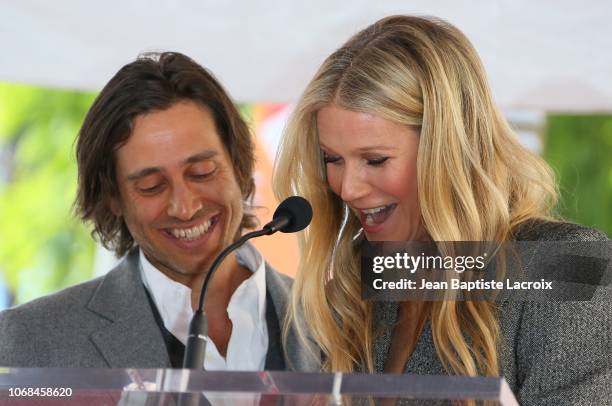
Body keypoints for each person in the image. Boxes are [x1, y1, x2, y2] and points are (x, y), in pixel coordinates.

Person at [273, 15, 611, 404]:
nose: (347, 188)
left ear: (447, 148)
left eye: (376, 160)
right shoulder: (357, 285)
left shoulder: (564, 264)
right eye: (332, 159)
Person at [0, 52, 317, 372]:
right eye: (151, 186)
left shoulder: (347, 326)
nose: (185, 207)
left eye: (202, 172)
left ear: (239, 164)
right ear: (113, 198)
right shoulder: (31, 339)